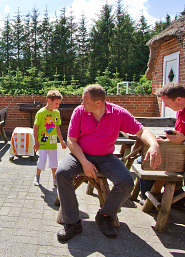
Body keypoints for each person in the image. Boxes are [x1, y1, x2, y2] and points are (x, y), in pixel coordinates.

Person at [56, 84, 162, 240]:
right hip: (79, 155)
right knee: (62, 173)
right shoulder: (79, 112)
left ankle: (105, 215)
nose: (82, 104)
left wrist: (154, 144)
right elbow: (71, 140)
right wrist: (84, 161)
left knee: (126, 182)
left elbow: (141, 131)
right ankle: (72, 223)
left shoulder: (118, 113)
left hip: (105, 156)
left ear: (98, 102)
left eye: (85, 101)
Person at [33, 89, 67, 187]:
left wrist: (61, 140)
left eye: (59, 103)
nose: (58, 106)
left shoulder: (56, 113)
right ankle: (37, 176)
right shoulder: (41, 113)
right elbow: (35, 128)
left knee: (54, 163)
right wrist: (36, 142)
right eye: (56, 103)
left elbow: (57, 127)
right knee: (41, 161)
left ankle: (54, 179)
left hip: (52, 144)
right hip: (43, 143)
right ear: (49, 101)